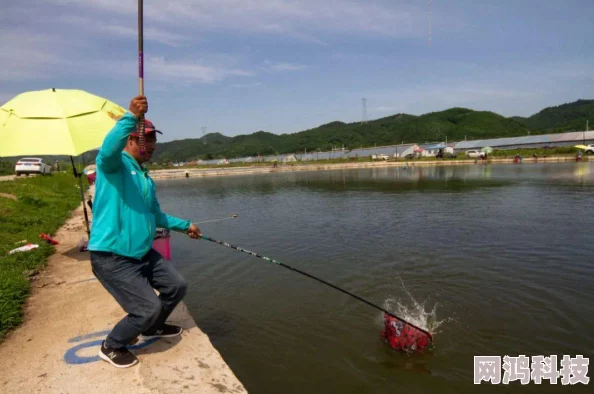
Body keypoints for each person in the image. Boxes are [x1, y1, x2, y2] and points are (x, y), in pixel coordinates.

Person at [88, 96, 202, 368]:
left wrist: (186, 226)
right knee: (146, 308)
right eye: (144, 139)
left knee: (177, 286)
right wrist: (130, 116)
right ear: (129, 140)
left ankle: (153, 327)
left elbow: (155, 215)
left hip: (141, 253)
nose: (150, 145)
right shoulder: (114, 167)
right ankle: (111, 345)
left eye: (153, 140)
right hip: (113, 256)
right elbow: (106, 152)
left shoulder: (144, 175)